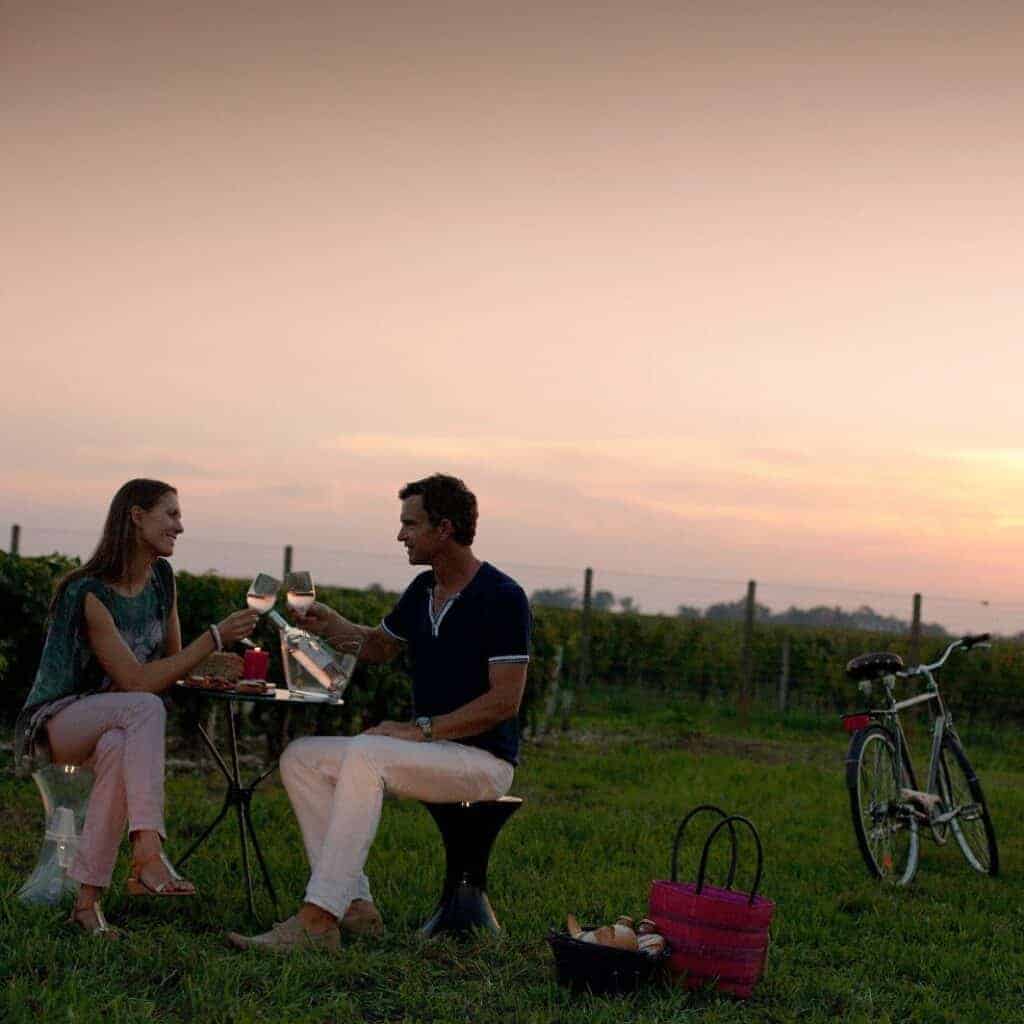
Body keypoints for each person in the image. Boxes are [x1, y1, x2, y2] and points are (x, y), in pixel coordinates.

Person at [228, 473, 531, 951]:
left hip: (482, 762)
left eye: (410, 524)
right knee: (302, 757)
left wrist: (421, 731)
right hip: (431, 749)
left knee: (367, 753)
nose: (400, 535)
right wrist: (329, 624)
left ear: (445, 528)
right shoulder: (422, 589)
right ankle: (354, 905)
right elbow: (376, 647)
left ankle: (316, 920)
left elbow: (503, 702)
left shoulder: (503, 597)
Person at [15, 478, 259, 937]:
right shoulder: (88, 592)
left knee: (118, 744)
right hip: (58, 720)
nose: (180, 526)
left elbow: (171, 663)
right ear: (136, 516)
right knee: (143, 707)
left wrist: (224, 659)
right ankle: (147, 852)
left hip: (119, 718)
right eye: (171, 514)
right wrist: (216, 635)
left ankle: (87, 906)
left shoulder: (162, 580)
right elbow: (136, 681)